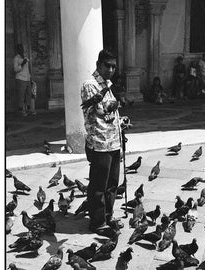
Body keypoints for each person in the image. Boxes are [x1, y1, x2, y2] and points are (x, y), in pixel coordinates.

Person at [81, 49, 125, 236]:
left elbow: (110, 114)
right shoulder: (90, 84)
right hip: (99, 143)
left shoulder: (108, 84)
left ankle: (107, 217)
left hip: (114, 142)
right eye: (108, 66)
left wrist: (121, 121)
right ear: (98, 65)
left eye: (114, 66)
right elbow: (101, 110)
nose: (111, 70)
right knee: (98, 185)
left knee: (112, 184)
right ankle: (97, 223)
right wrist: (114, 106)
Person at [13, 44, 36, 116]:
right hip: (20, 79)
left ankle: (29, 109)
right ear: (17, 50)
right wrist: (22, 63)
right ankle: (22, 111)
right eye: (20, 49)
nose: (21, 50)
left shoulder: (25, 57)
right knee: (21, 95)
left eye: (22, 48)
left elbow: (27, 69)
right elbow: (15, 69)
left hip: (27, 78)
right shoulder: (16, 58)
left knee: (29, 94)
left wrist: (30, 78)